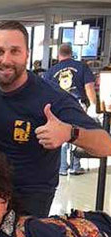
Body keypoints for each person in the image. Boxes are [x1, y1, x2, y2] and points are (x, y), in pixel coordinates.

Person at [0, 21, 111, 218]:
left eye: (15, 51)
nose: (6, 59)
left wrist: (69, 133)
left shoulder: (52, 97)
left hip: (29, 200)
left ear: (27, 55)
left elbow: (106, 144)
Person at [44, 43, 98, 176]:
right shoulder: (82, 67)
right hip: (77, 104)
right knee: (76, 133)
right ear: (71, 53)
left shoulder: (51, 71)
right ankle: (75, 166)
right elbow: (89, 88)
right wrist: (94, 105)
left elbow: (45, 91)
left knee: (61, 134)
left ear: (58, 54)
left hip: (57, 106)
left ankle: (62, 167)